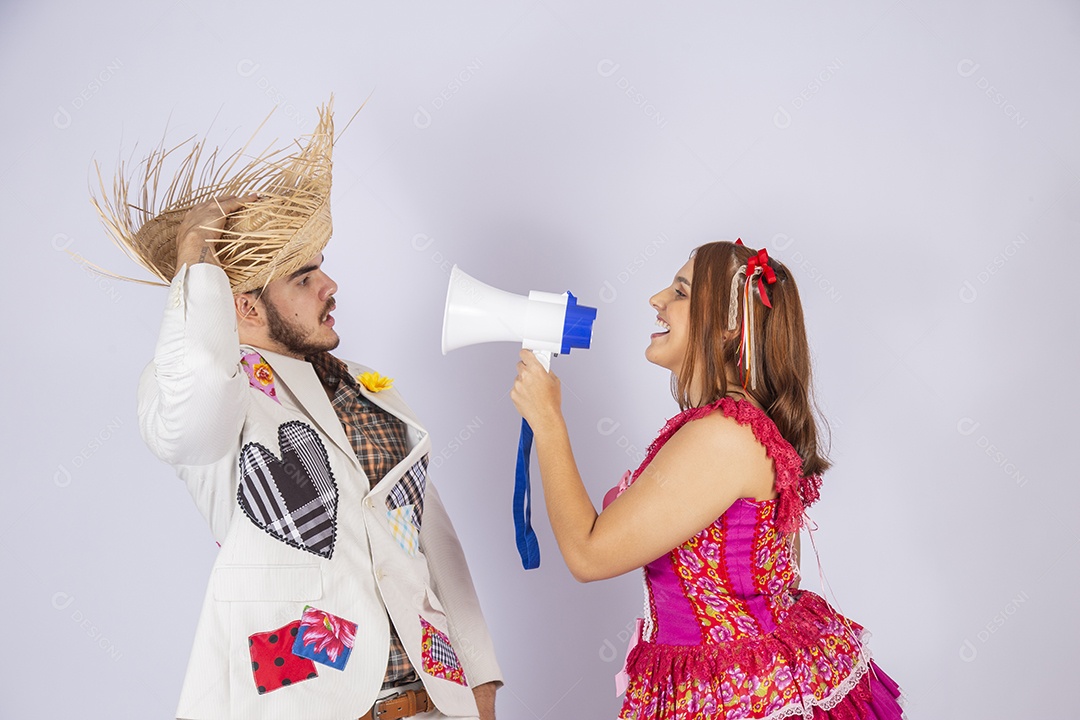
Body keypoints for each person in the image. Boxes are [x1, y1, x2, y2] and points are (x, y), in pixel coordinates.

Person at [98, 100, 502, 719]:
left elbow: (430, 541)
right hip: (304, 695)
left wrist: (480, 679)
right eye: (303, 278)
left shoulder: (371, 389)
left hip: (429, 698)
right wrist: (195, 259)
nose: (330, 286)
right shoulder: (206, 394)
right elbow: (197, 395)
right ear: (245, 307)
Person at [510, 240, 903, 719]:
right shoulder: (737, 426)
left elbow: (588, 554)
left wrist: (548, 422)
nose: (656, 300)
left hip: (740, 696)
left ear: (729, 325)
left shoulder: (723, 435)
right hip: (740, 681)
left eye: (679, 291)